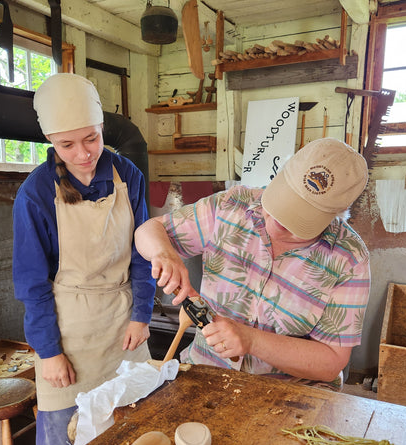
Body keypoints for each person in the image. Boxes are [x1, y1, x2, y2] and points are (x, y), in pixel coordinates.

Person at [135, 137, 370, 389]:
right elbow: (149, 230)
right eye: (285, 199)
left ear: (336, 215)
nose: (280, 222)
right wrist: (165, 254)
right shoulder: (232, 205)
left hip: (289, 392)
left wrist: (252, 341)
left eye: (301, 218)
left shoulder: (349, 258)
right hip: (207, 370)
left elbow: (331, 362)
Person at [12, 73, 155, 445]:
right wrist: (49, 351)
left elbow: (143, 254)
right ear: (51, 142)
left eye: (91, 139)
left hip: (123, 323)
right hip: (68, 335)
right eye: (66, 144)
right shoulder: (36, 193)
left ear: (102, 129)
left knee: (133, 437)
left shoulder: (128, 176)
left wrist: (142, 314)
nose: (82, 154)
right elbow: (32, 284)